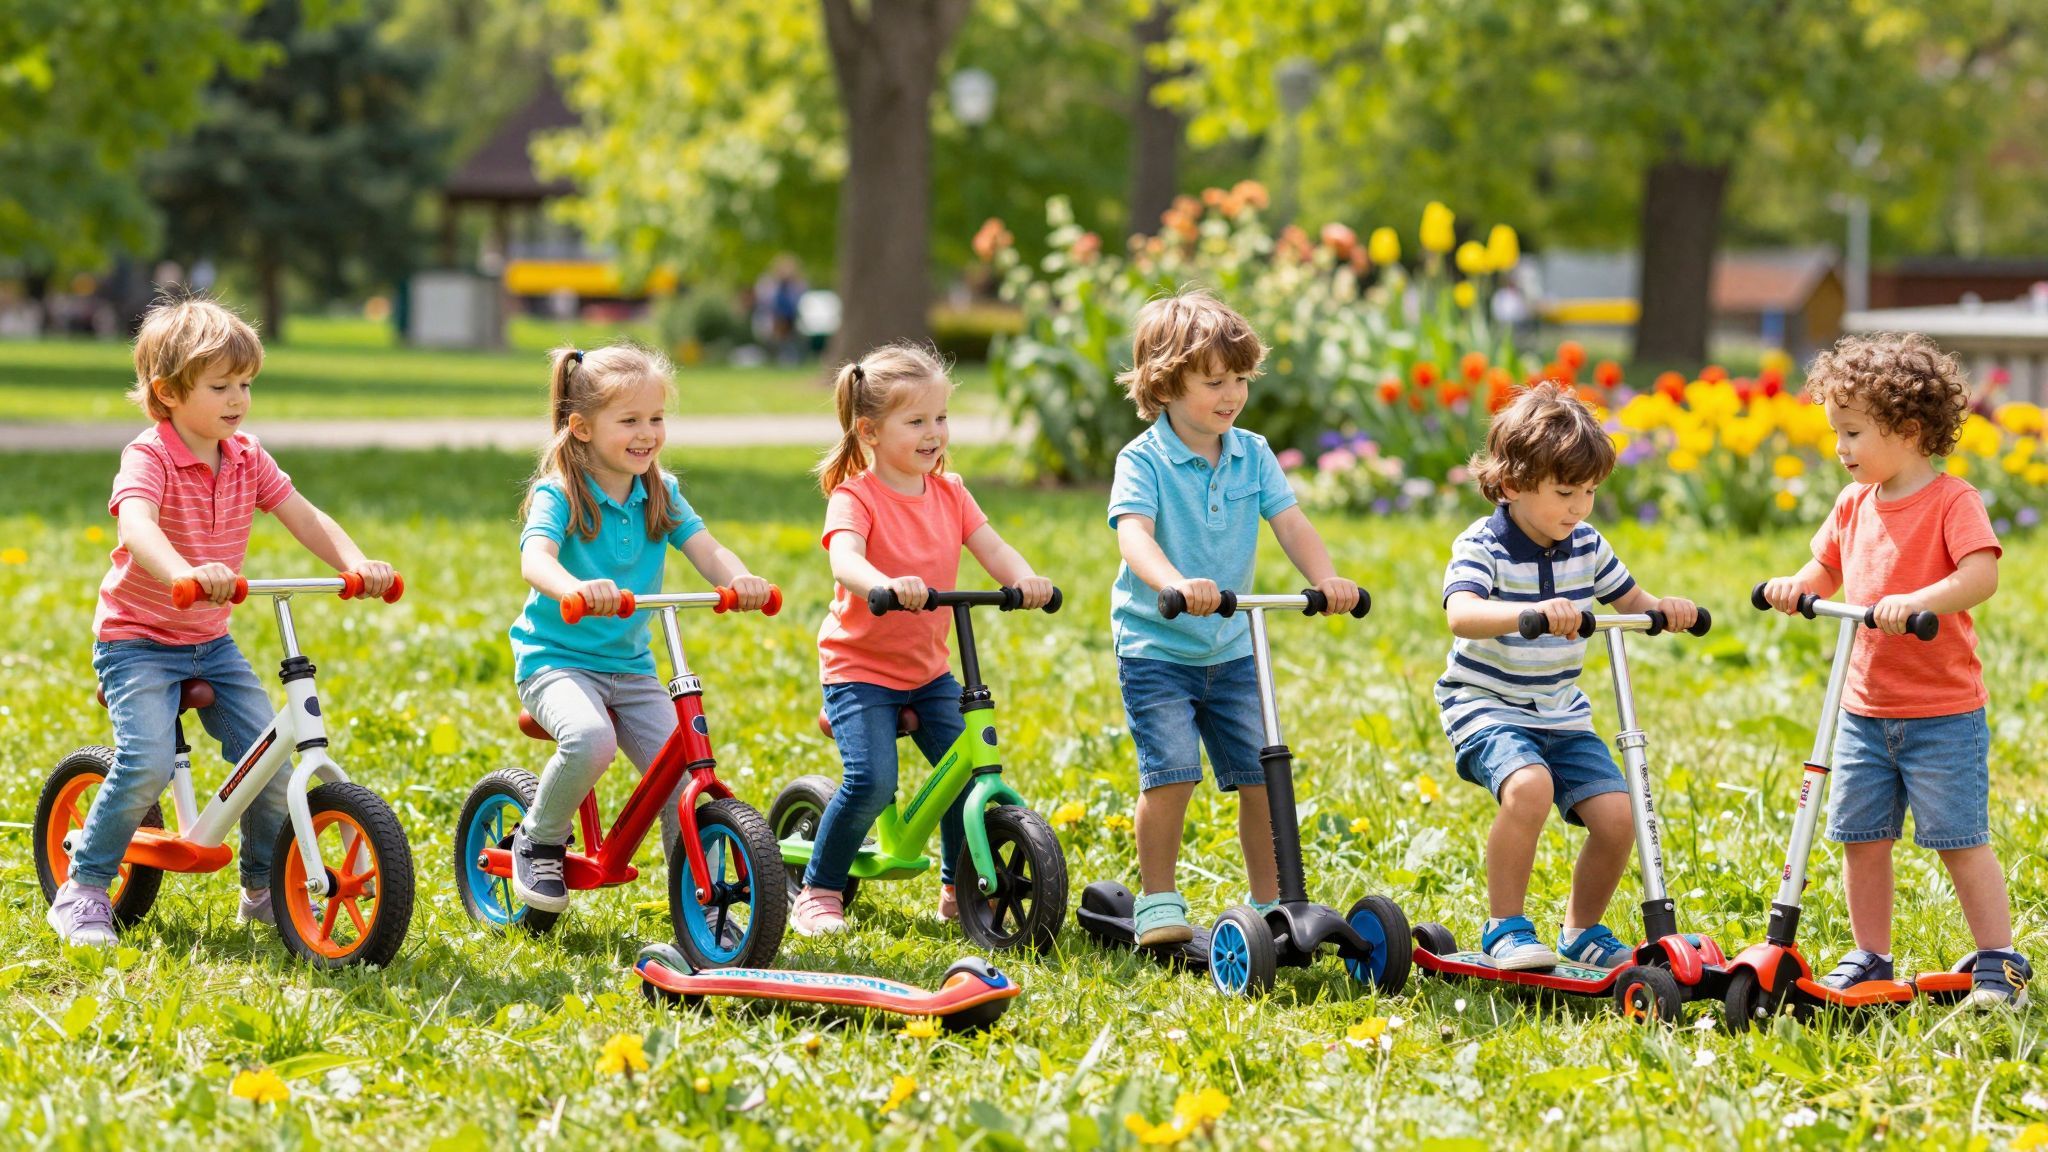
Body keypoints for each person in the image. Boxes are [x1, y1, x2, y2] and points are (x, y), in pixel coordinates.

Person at [49, 296, 397, 946]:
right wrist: (182, 570)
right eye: (221, 386)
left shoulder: (245, 455)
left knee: (268, 762)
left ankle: (264, 888)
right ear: (169, 393)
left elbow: (302, 513)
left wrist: (354, 561)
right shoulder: (148, 457)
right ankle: (85, 887)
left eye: (246, 384)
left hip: (209, 640)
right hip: (138, 642)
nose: (238, 398)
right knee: (147, 761)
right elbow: (137, 526)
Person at [1759, 332, 2029, 1006]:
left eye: (1851, 433)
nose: (1840, 448)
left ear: (1908, 430)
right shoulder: (1853, 504)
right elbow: (1826, 564)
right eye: (1836, 434)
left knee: (1958, 839)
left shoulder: (1951, 501)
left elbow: (1982, 573)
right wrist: (1800, 583)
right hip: (1863, 710)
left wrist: (1918, 601)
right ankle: (1870, 955)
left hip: (1941, 712)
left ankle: (1999, 959)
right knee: (1862, 837)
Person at [1107, 289, 1362, 946]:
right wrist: (1172, 583)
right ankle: (1158, 900)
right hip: (1158, 646)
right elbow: (1133, 535)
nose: (1232, 394)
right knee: (1172, 774)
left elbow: (1291, 522)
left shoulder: (1251, 452)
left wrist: (1325, 579)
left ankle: (1270, 900)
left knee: (1261, 774)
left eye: (1241, 379)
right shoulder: (1143, 460)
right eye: (1214, 381)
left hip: (1232, 646)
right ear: (1165, 384)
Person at [791, 343, 1054, 936]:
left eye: (941, 418)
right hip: (859, 668)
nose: (934, 433)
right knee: (872, 780)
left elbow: (992, 547)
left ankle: (954, 886)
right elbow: (845, 561)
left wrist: (1024, 579)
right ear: (871, 431)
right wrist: (885, 584)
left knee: (965, 775)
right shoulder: (855, 496)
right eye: (916, 421)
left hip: (927, 668)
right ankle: (820, 889)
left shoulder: (952, 492)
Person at [1438, 381, 1698, 971]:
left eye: (1588, 492)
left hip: (1560, 710)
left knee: (1618, 817)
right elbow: (1462, 613)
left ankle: (1581, 931)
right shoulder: (1483, 546)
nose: (1579, 507)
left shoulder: (1586, 543)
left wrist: (1664, 610)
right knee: (1530, 788)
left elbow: (1633, 600)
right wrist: (1529, 615)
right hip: (1487, 703)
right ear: (1511, 485)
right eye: (1564, 492)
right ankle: (1504, 925)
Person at [508, 342, 773, 913]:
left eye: (656, 418)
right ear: (580, 427)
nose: (647, 433)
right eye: (629, 420)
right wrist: (574, 588)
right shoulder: (563, 492)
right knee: (591, 739)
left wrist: (741, 578)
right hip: (555, 661)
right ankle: (540, 837)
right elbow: (536, 559)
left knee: (684, 775)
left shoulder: (659, 490)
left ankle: (702, 906)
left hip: (630, 668)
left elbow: (706, 548)